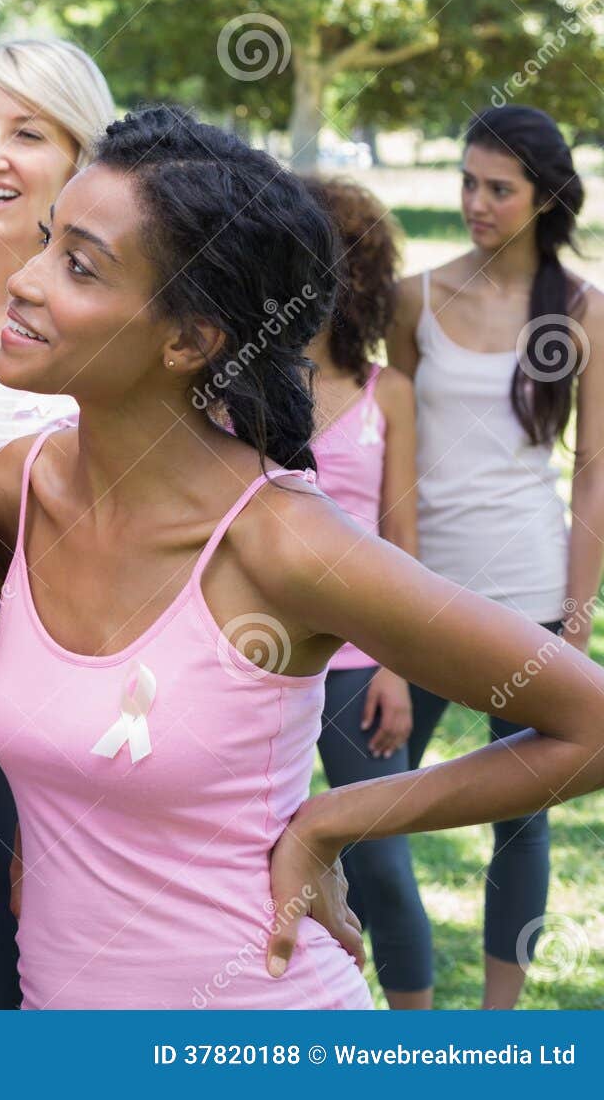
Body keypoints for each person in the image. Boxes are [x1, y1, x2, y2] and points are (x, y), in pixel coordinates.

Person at [0, 106, 604, 1009]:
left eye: (79, 264)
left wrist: (336, 819)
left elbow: (589, 721)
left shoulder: (280, 540)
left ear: (189, 340)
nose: (26, 282)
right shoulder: (13, 491)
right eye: (46, 243)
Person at [385, 104, 601, 1008]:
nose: (476, 201)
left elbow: (593, 473)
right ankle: (408, 1022)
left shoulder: (586, 310)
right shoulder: (415, 297)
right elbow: (386, 447)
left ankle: (497, 1034)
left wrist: (578, 615)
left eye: (497, 188)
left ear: (543, 198)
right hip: (416, 596)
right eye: (467, 182)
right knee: (379, 809)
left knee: (521, 820)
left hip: (529, 595)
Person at [0, 37, 115, 1009]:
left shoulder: (109, 329)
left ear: (82, 165)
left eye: (26, 133)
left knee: (19, 964)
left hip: (40, 714)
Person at [302, 177, 431, 1008]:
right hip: (260, 653)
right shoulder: (240, 380)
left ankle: (418, 1046)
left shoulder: (391, 394)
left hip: (359, 662)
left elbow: (404, 545)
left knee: (381, 860)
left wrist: (394, 666)